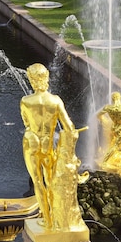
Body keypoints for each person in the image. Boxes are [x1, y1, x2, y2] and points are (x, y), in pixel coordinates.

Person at [20, 63, 77, 230]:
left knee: (37, 182)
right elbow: (69, 127)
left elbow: (27, 123)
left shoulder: (26, 101)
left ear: (31, 80)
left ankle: (47, 219)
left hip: (31, 144)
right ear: (46, 78)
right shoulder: (55, 101)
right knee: (51, 181)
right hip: (48, 145)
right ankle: (56, 217)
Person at [97, 92, 121, 175]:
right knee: (116, 145)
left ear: (112, 99)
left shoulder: (108, 108)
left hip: (114, 127)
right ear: (119, 98)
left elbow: (98, 115)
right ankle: (105, 161)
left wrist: (104, 120)